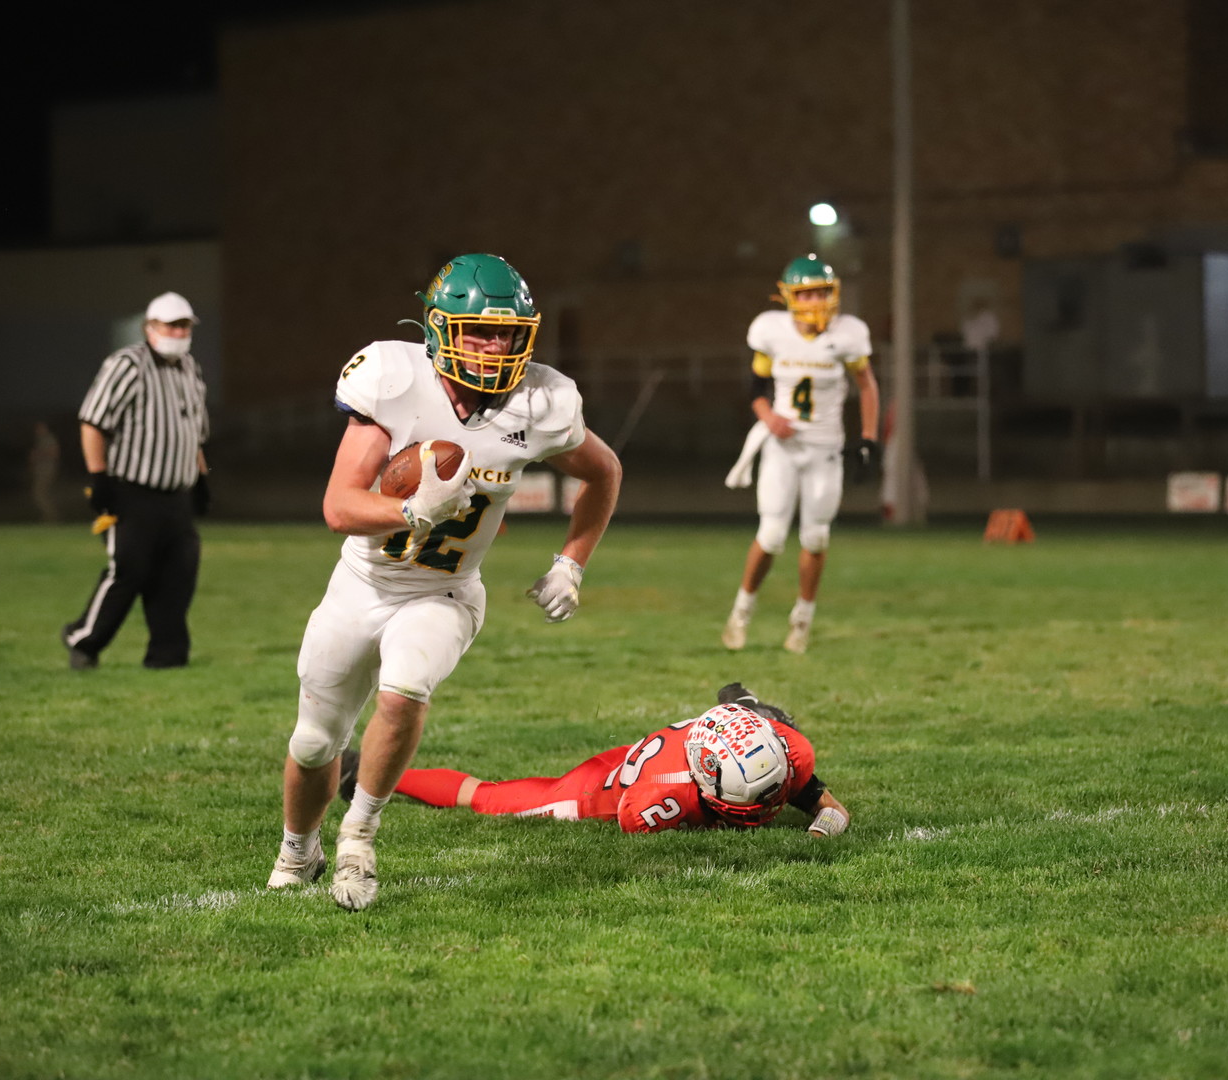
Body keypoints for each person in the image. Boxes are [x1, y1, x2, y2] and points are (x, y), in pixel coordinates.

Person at [266, 253, 623, 911]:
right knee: (316, 742)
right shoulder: (395, 380)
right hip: (362, 583)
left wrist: (572, 561)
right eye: (478, 331)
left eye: (507, 333)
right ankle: (298, 851)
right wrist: (406, 508)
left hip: (446, 591)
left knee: (403, 691)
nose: (494, 347)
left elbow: (604, 472)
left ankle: (359, 840)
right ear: (437, 328)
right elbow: (339, 506)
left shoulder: (542, 401)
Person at [338, 683, 851, 837]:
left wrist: (820, 829)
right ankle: (368, 770)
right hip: (606, 789)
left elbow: (832, 809)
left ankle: (743, 699)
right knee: (489, 798)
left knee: (760, 710)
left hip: (655, 750)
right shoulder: (662, 799)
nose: (772, 804)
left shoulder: (787, 750)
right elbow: (631, 817)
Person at [722, 255, 879, 654]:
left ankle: (802, 620)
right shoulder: (771, 331)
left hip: (825, 448)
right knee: (771, 535)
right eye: (807, 292)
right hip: (783, 446)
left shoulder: (847, 334)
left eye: (823, 292)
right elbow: (755, 390)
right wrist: (768, 417)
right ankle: (741, 611)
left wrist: (868, 438)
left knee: (816, 535)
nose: (816, 300)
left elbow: (868, 386)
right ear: (789, 296)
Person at [60, 291, 211, 671]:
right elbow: (93, 421)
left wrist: (202, 478)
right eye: (170, 325)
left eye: (184, 326)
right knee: (128, 570)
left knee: (179, 573)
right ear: (150, 327)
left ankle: (167, 655)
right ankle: (84, 640)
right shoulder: (127, 364)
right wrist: (98, 477)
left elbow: (192, 431)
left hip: (175, 495)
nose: (178, 332)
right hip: (133, 491)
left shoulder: (190, 368)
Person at [28, 420, 61, 523]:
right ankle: (49, 517)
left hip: (47, 470)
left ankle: (52, 516)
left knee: (39, 493)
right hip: (40, 470)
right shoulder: (40, 439)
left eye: (39, 427)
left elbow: (54, 453)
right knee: (42, 493)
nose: (37, 430)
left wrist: (37, 454)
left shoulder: (49, 438)